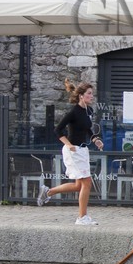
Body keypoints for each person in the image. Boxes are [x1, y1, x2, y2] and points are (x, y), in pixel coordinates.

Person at [38, 80, 103, 226]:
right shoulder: (73, 112)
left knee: (79, 185)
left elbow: (87, 130)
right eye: (89, 94)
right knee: (87, 182)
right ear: (81, 96)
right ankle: (82, 217)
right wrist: (68, 144)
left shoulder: (88, 111)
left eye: (92, 94)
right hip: (73, 151)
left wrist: (95, 140)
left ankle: (48, 192)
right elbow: (58, 130)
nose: (92, 96)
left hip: (82, 150)